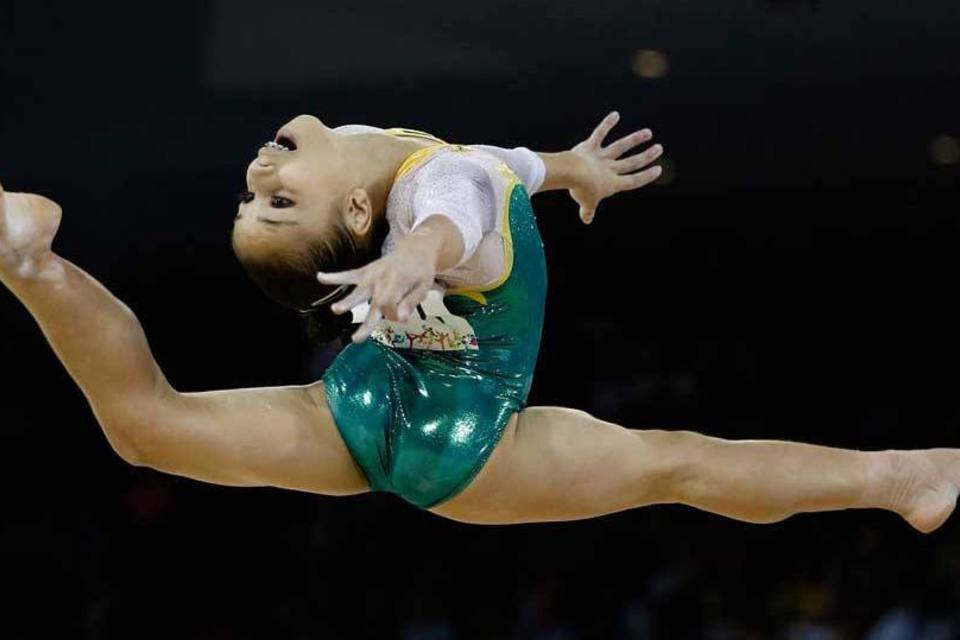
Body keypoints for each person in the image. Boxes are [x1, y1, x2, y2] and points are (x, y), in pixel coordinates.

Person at [1, 112, 958, 533]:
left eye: (256, 202)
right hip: (407, 428)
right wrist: (554, 176)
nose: (256, 179)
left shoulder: (421, 187)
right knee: (146, 431)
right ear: (354, 219)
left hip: (424, 432)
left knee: (682, 462)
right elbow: (474, 187)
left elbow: (468, 190)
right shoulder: (424, 186)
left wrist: (443, 241)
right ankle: (29, 258)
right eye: (273, 206)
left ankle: (904, 478)